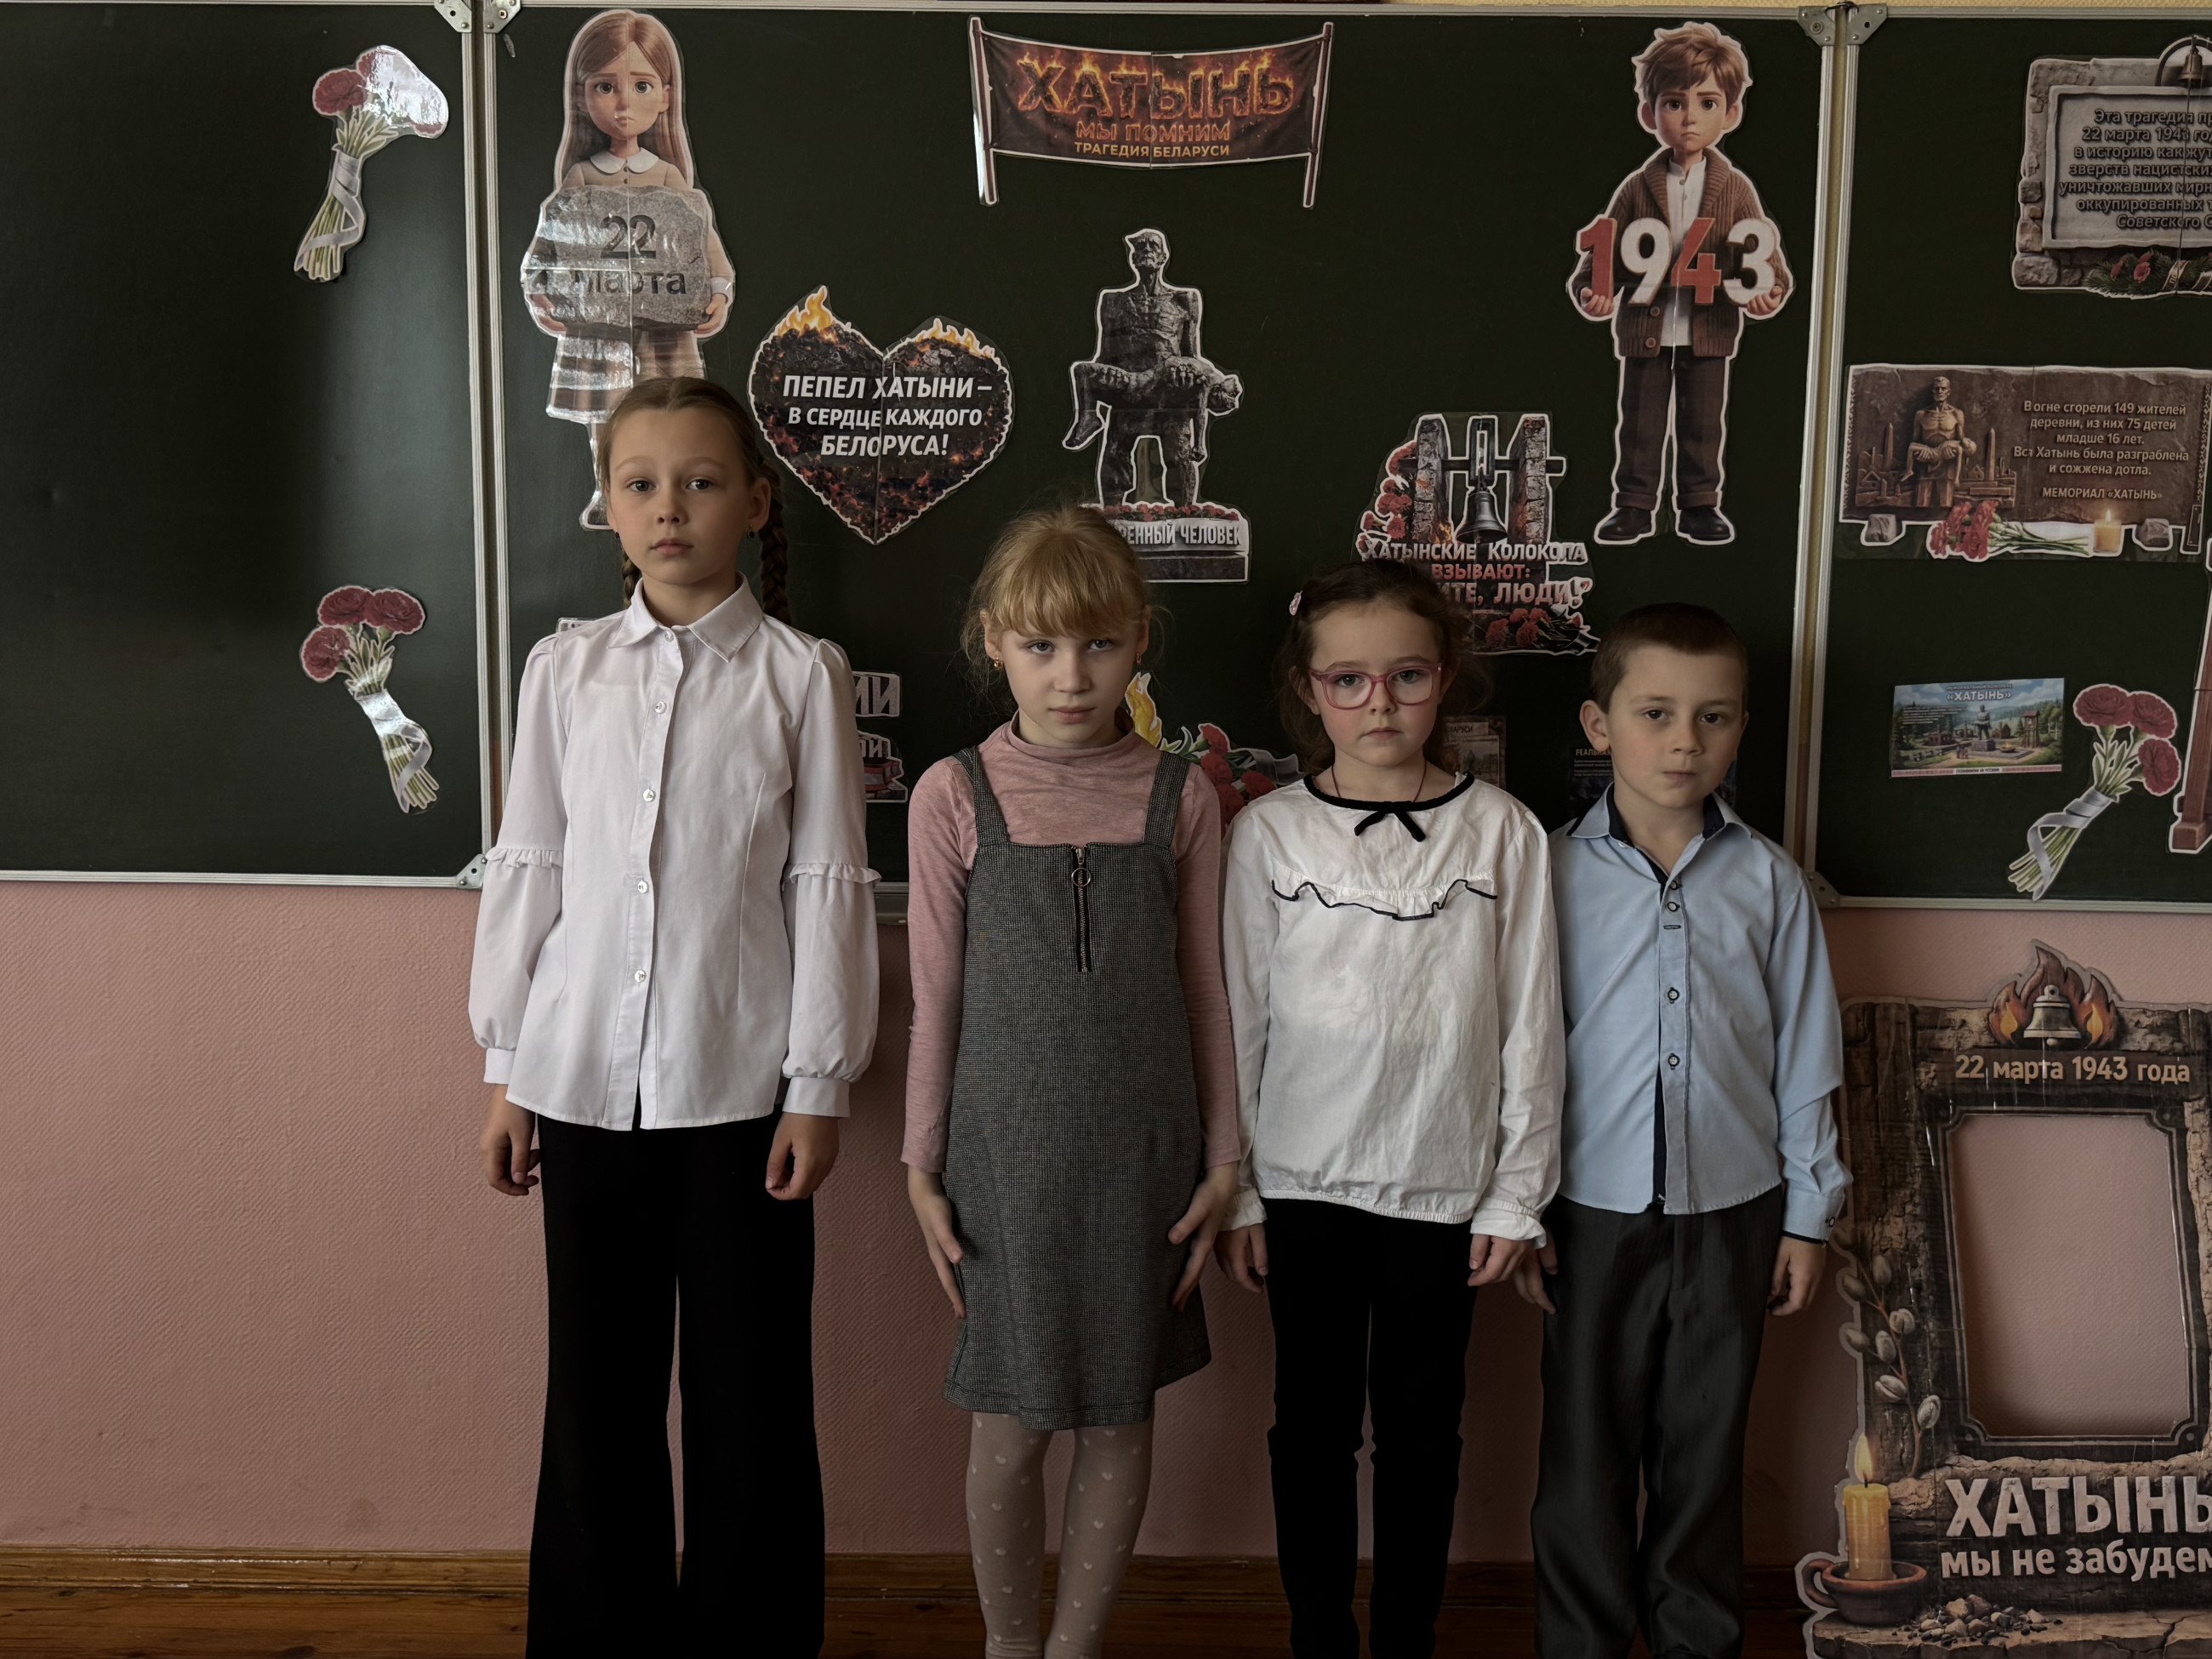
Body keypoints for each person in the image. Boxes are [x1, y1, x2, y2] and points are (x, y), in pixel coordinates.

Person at [469, 376, 878, 1656]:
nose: (669, 508)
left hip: (740, 1087)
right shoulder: (565, 669)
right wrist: (507, 1066)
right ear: (607, 504)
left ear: (753, 503)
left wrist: (819, 1082)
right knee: (596, 1392)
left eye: (699, 482)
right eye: (639, 483)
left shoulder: (800, 675)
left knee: (749, 1395)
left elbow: (825, 879)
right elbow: (531, 864)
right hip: (581, 1081)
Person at [902, 504, 1242, 1659]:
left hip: (1146, 1162)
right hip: (1004, 1168)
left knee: (1119, 1418)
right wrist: (920, 1167)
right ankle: (1010, 1648)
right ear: (993, 641)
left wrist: (1225, 1160)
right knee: (1009, 1426)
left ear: (1139, 639)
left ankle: (1075, 1649)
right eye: (1040, 645)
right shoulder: (954, 795)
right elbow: (936, 999)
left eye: (1098, 644)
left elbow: (1206, 991)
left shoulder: (1179, 796)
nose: (1070, 675)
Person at [1215, 558, 1565, 1659]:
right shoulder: (1269, 834)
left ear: (1444, 678)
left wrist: (1516, 1195)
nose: (1380, 704)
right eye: (1350, 681)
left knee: (1422, 1433)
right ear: (1309, 689)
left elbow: (1531, 1026)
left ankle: (1407, 1637)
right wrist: (1242, 1191)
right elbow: (1242, 1022)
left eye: (1406, 676)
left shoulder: (1503, 833)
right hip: (1304, 1187)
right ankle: (1318, 1634)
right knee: (1310, 1429)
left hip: (1443, 1186)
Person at [1523, 602, 1847, 1659]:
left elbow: (1806, 1052)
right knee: (1583, 1457)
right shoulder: (1543, 876)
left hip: (1733, 1211)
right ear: (1597, 724)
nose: (1682, 741)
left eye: (1711, 717)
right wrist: (1519, 1209)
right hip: (1587, 1214)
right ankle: (1580, 1644)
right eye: (1654, 713)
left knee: (1703, 1456)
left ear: (1741, 728)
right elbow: (1517, 1053)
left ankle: (1695, 1644)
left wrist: (1807, 1215)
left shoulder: (1768, 881)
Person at [1568, 22, 1790, 546]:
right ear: (1649, 114)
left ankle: (1699, 504)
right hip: (1645, 327)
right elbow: (1603, 251)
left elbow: (1764, 255)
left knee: (1703, 423)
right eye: (1674, 103)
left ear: (1731, 114)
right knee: (1639, 423)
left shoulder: (1735, 187)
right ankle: (1633, 505)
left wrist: (1769, 291)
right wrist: (1591, 291)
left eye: (1707, 103)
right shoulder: (1635, 187)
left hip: (1709, 326)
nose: (1690, 117)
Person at [527, 10, 734, 528]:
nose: (623, 104)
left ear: (665, 96)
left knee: (669, 409)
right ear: (582, 97)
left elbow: (703, 241)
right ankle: (609, 490)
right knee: (605, 412)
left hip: (662, 327)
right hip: (600, 327)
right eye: (605, 86)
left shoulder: (668, 177)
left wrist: (718, 291)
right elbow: (549, 242)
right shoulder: (580, 177)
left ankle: (666, 491)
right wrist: (541, 289)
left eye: (641, 85)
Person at [1063, 229, 1243, 508]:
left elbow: (1191, 354)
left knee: (1180, 458)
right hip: (1127, 392)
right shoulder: (1113, 300)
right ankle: (1111, 516)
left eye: (1152, 246)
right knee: (1114, 457)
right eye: (1140, 247)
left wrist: (1188, 375)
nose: (1146, 250)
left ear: (1163, 257)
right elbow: (1106, 352)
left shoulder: (1184, 299)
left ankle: (1184, 517)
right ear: (1133, 258)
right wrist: (1104, 375)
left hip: (1170, 395)